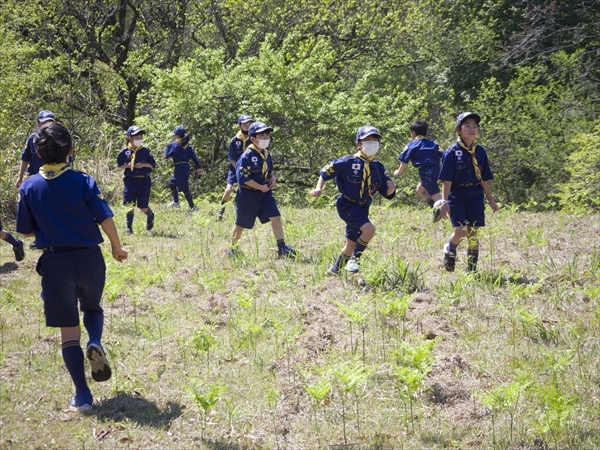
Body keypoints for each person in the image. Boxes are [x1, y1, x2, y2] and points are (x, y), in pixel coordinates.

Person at [16, 122, 127, 411]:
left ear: (38, 153)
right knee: (92, 308)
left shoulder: (29, 187)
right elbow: (104, 217)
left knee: (68, 330)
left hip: (56, 263)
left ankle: (82, 395)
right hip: (89, 258)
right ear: (71, 150)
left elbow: (25, 231)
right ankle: (96, 340)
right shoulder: (83, 181)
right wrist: (117, 247)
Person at [311, 126, 396, 273]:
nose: (372, 143)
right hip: (347, 205)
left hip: (364, 207)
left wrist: (392, 188)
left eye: (375, 140)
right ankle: (355, 259)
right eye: (368, 140)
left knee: (351, 244)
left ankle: (335, 270)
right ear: (358, 143)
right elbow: (325, 172)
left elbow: (386, 193)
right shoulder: (348, 161)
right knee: (369, 230)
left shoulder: (378, 167)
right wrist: (319, 188)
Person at [438, 112, 498, 273]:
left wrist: (491, 199)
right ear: (459, 130)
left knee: (473, 232)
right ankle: (450, 248)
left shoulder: (480, 152)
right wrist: (445, 202)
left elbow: (484, 178)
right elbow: (447, 179)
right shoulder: (451, 152)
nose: (472, 129)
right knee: (460, 231)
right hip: (457, 195)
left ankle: (472, 271)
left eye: (475, 126)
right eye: (467, 126)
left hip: (475, 195)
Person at [230, 121, 297, 258]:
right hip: (248, 196)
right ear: (253, 138)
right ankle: (233, 249)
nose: (266, 138)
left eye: (267, 135)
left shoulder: (266, 154)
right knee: (240, 224)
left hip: (265, 194)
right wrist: (260, 187)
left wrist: (272, 178)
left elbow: (269, 172)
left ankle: (282, 247)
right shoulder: (246, 156)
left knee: (276, 217)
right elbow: (243, 178)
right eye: (262, 135)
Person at [15, 110, 57, 248]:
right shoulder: (32, 139)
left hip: (53, 179)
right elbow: (25, 159)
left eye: (49, 122)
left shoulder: (59, 139)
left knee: (53, 208)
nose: (46, 125)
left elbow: (66, 161)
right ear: (38, 124)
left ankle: (54, 236)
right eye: (44, 122)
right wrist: (20, 177)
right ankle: (39, 237)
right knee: (36, 210)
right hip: (34, 180)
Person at [393, 120, 444, 222]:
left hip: (426, 172)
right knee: (420, 190)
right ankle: (435, 209)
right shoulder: (433, 143)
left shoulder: (412, 144)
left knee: (436, 195)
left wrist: (398, 172)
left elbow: (404, 161)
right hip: (437, 169)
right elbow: (444, 155)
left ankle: (448, 214)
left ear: (413, 133)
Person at [117, 126, 157, 234]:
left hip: (144, 181)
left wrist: (142, 165)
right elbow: (120, 165)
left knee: (142, 206)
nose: (139, 139)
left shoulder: (145, 150)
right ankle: (129, 229)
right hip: (130, 180)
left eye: (140, 137)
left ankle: (150, 215)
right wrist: (128, 165)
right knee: (129, 205)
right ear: (130, 138)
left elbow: (153, 164)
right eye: (136, 137)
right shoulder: (124, 151)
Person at [217, 115, 254, 220]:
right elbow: (232, 159)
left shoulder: (254, 139)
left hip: (249, 170)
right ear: (239, 126)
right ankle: (221, 209)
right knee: (229, 189)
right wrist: (238, 169)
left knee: (248, 191)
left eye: (249, 124)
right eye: (245, 124)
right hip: (234, 169)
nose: (247, 126)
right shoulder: (234, 141)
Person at [165, 125, 203, 211]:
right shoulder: (188, 146)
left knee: (185, 188)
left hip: (180, 168)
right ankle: (176, 202)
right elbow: (194, 157)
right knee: (172, 183)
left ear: (177, 136)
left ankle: (193, 207)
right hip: (184, 167)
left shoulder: (174, 144)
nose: (173, 136)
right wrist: (198, 167)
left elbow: (167, 155)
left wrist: (168, 146)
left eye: (174, 135)